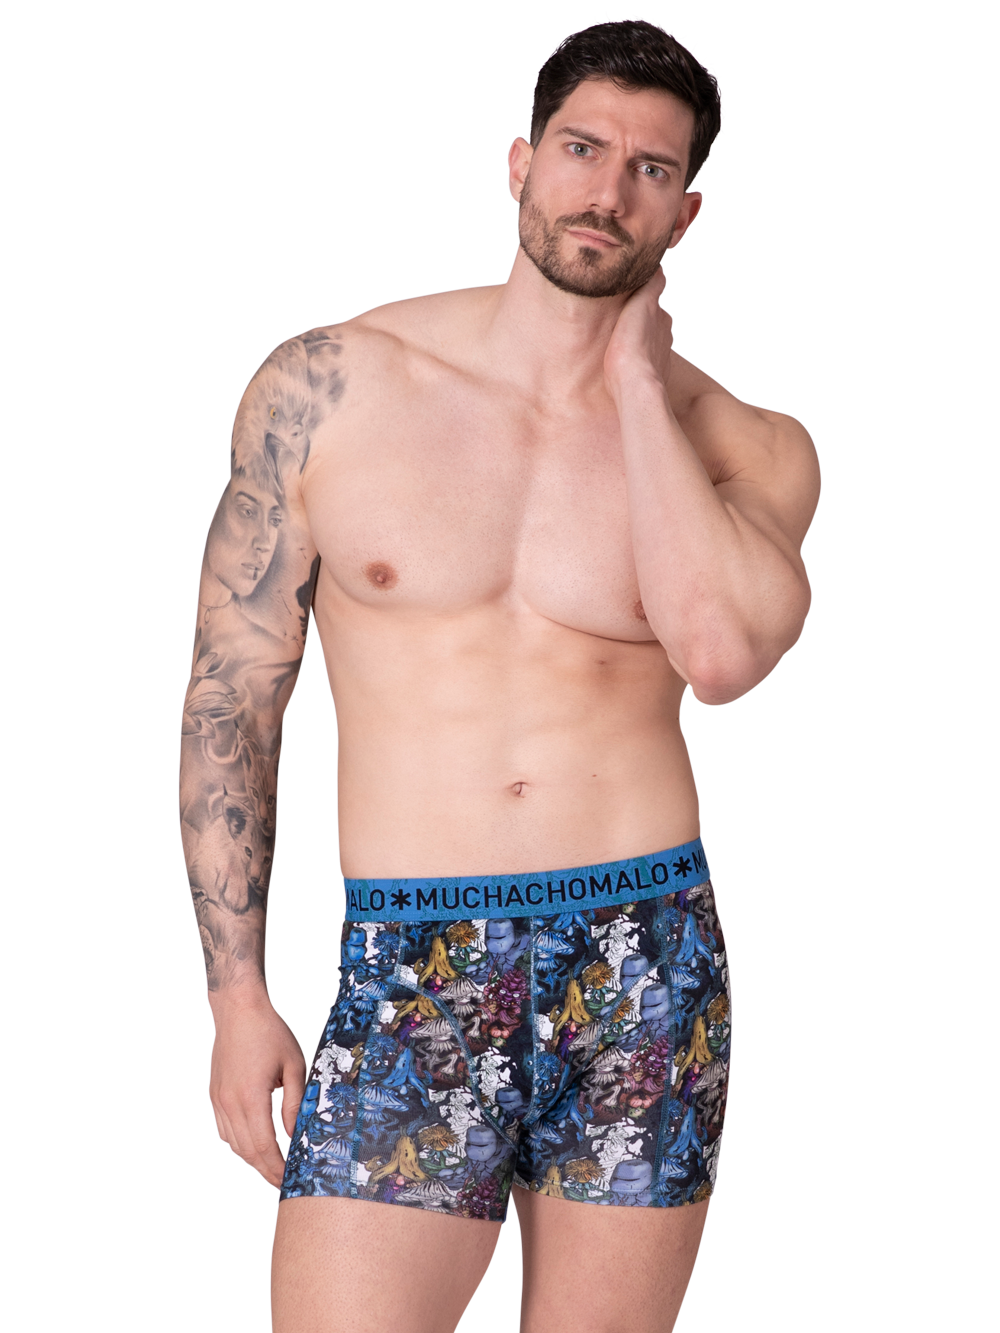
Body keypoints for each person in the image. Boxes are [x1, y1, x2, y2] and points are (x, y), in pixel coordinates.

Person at [180, 19, 820, 1333]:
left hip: (642, 958)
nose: (608, 190)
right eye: (583, 149)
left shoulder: (743, 449)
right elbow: (233, 695)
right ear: (522, 161)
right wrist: (238, 995)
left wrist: (633, 382)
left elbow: (719, 655)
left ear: (686, 212)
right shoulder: (329, 388)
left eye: (650, 169)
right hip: (415, 955)